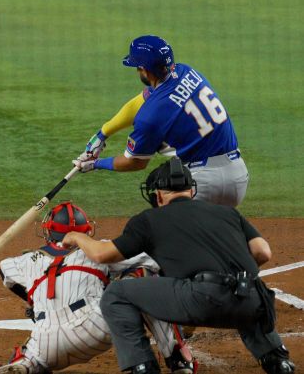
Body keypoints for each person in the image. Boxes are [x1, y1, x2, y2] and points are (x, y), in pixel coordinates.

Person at [62, 158, 294, 374]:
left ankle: (141, 366)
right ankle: (278, 360)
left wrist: (76, 236)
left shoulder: (148, 220)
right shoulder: (228, 213)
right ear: (192, 191)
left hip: (200, 300)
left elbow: (102, 255)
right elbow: (263, 252)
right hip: (254, 302)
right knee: (245, 290)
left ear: (159, 196)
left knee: (116, 294)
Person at [0, 201, 195, 374]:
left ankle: (23, 366)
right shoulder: (96, 249)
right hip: (95, 328)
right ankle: (178, 359)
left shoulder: (27, 261)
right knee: (144, 277)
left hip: (47, 342)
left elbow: (4, 270)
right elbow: (152, 261)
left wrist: (33, 301)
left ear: (48, 232)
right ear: (85, 230)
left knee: (33, 352)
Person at [73, 35, 249, 207]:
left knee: (164, 218)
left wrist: (96, 164)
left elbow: (136, 162)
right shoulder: (186, 71)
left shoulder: (150, 117)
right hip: (238, 175)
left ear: (144, 70)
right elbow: (141, 101)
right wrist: (103, 133)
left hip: (201, 184)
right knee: (220, 233)